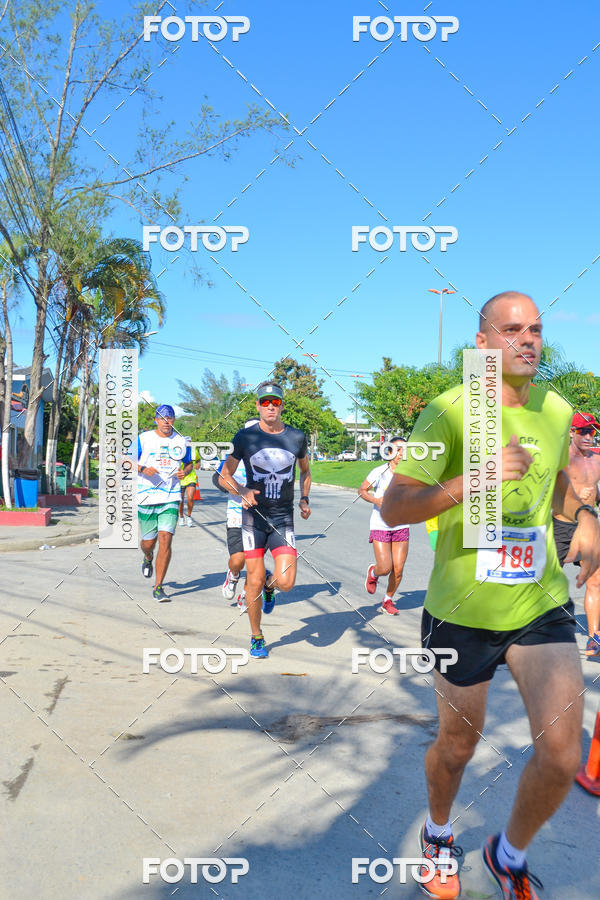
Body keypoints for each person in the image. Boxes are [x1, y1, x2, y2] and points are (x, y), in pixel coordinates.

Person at [381, 291, 600, 900]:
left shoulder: (556, 409)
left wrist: (583, 516)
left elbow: (557, 489)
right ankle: (438, 833)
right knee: (456, 747)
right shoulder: (449, 412)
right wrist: (469, 480)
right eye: (511, 330)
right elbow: (394, 505)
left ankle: (508, 855)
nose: (527, 340)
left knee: (560, 755)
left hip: (538, 603)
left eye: (535, 329)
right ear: (482, 344)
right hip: (462, 612)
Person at [219, 382, 311, 659]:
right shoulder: (245, 437)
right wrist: (243, 490)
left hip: (283, 518)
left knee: (287, 582)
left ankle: (272, 586)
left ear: (282, 405)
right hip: (253, 520)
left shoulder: (296, 438)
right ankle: (257, 636)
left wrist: (305, 499)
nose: (270, 406)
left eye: (275, 402)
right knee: (253, 581)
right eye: (265, 402)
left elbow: (305, 472)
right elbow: (225, 475)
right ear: (258, 405)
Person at [553, 411, 600, 657]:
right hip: (560, 527)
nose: (588, 436)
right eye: (583, 430)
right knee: (542, 583)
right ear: (571, 432)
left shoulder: (598, 458)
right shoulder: (560, 459)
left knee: (596, 581)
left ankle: (594, 638)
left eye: (592, 431)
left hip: (588, 527)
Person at [137, 405, 192, 602]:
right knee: (148, 543)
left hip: (170, 496)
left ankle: (158, 586)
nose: (166, 421)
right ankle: (148, 557)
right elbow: (124, 461)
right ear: (156, 420)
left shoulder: (181, 441)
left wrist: (185, 472)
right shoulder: (144, 439)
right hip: (145, 496)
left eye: (169, 417)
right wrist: (142, 468)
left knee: (165, 539)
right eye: (162, 418)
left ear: (174, 420)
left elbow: (190, 462)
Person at [358, 437, 410, 614]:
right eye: (398, 449)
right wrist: (376, 500)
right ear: (389, 453)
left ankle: (387, 600)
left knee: (398, 569)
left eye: (404, 449)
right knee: (385, 567)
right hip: (381, 524)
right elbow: (362, 491)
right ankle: (373, 572)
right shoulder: (379, 472)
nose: (402, 453)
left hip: (401, 525)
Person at [218, 418, 260, 610]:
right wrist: (242, 492)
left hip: (260, 518)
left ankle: (245, 595)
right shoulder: (234, 457)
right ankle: (233, 575)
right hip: (236, 514)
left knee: (253, 562)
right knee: (238, 559)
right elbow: (220, 479)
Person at [178, 436, 201, 527]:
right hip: (180, 479)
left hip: (191, 478)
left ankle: (189, 516)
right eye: (186, 442)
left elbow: (198, 460)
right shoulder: (179, 451)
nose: (188, 444)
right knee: (181, 500)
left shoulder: (194, 451)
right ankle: (181, 517)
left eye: (189, 442)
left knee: (190, 498)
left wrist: (198, 465)